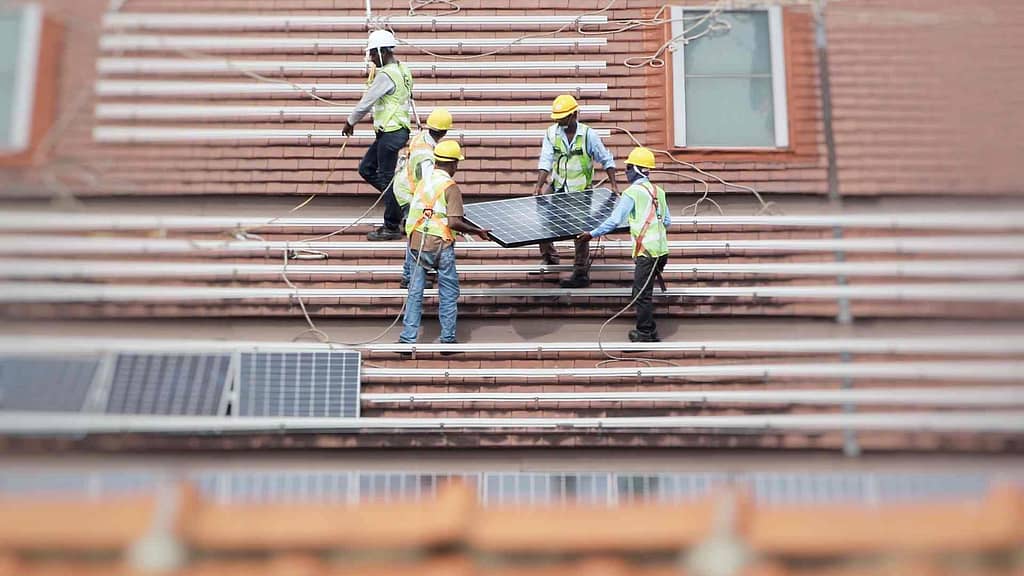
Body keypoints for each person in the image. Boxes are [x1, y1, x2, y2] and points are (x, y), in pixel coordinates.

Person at [399, 141, 491, 345]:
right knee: (448, 293)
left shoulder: (424, 181)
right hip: (441, 245)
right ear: (452, 164)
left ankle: (407, 339)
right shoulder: (450, 187)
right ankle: (447, 339)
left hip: (417, 243)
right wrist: (477, 231)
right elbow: (454, 221)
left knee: (414, 294)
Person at [576, 147, 671, 342]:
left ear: (635, 169)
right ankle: (650, 330)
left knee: (641, 294)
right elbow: (667, 221)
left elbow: (614, 220)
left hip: (647, 253)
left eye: (628, 167)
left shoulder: (632, 193)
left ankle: (645, 332)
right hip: (662, 252)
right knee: (644, 291)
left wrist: (591, 234)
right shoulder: (658, 191)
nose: (626, 171)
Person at [531, 94, 618, 288]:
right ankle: (550, 257)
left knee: (580, 230)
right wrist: (539, 186)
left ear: (574, 115)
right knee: (542, 216)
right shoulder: (551, 133)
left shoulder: (588, 135)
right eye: (558, 118)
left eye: (563, 117)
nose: (559, 121)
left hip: (580, 191)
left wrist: (614, 185)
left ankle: (580, 272)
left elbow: (606, 159)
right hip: (558, 184)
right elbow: (545, 160)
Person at [342, 29, 413, 242]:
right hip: (393, 131)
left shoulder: (386, 75)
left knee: (386, 178)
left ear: (383, 51)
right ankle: (401, 204)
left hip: (391, 132)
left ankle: (392, 225)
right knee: (366, 168)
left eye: (373, 54)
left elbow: (367, 101)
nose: (372, 58)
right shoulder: (402, 69)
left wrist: (350, 122)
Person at [395, 108, 453, 289]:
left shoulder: (421, 137)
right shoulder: (427, 157)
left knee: (415, 230)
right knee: (415, 231)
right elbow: (430, 184)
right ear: (444, 132)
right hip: (410, 193)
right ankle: (408, 275)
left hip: (406, 187)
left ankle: (410, 274)